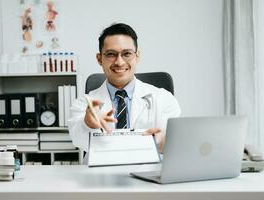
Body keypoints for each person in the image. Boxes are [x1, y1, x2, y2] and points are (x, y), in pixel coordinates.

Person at [68, 23, 181, 155]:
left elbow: (172, 141)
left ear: (137, 57)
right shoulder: (84, 103)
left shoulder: (163, 99)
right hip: (102, 172)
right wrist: (88, 124)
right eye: (111, 54)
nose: (119, 62)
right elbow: (77, 140)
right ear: (99, 59)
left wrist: (162, 142)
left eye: (127, 53)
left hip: (147, 171)